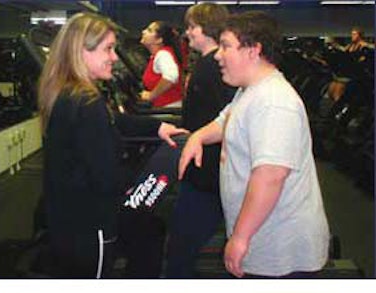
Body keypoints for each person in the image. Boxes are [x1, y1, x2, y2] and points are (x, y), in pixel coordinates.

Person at [178, 11, 330, 278]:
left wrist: (239, 238)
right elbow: (226, 119)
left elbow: (270, 176)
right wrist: (198, 136)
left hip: (279, 249)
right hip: (262, 235)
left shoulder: (274, 102)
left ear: (253, 50)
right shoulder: (250, 90)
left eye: (226, 46)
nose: (217, 55)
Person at [38, 12, 188, 278]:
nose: (115, 57)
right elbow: (109, 178)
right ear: (81, 52)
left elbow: (113, 121)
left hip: (68, 217)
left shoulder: (67, 92)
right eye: (108, 49)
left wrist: (157, 127)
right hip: (90, 225)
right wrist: (144, 178)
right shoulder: (86, 103)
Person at [165, 2, 236, 278]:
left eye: (192, 27)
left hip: (207, 174)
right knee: (182, 242)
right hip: (203, 168)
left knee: (181, 245)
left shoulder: (214, 67)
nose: (188, 33)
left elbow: (231, 118)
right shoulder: (208, 65)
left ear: (206, 29)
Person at [140, 21, 183, 107]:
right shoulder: (157, 55)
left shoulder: (163, 55)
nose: (143, 31)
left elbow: (172, 76)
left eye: (149, 30)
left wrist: (152, 95)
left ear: (159, 40)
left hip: (168, 109)